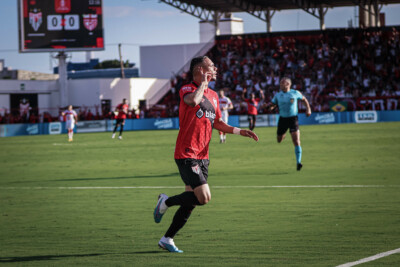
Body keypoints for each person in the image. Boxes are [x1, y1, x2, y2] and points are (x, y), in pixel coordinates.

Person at [153, 56, 259, 253]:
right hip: (187, 152)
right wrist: (202, 83)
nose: (216, 68)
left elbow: (217, 122)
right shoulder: (187, 89)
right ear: (200, 69)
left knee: (190, 201)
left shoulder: (214, 95)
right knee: (204, 197)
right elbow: (193, 101)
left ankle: (167, 238)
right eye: (212, 66)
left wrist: (238, 131)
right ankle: (165, 202)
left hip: (203, 155)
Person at [266, 77, 312, 171]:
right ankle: (284, 134)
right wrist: (270, 108)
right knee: (279, 140)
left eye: (282, 83)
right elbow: (273, 104)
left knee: (296, 141)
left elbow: (304, 99)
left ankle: (298, 162)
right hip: (282, 119)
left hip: (293, 119)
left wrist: (308, 109)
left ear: (288, 84)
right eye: (280, 83)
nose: (280, 85)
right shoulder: (278, 95)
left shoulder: (295, 93)